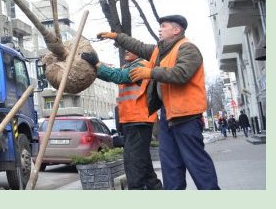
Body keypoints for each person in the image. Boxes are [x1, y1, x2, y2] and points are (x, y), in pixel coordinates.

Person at [98, 14, 220, 190]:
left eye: (163, 26)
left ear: (176, 30)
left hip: (186, 117)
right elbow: (138, 46)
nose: (159, 29)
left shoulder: (188, 48)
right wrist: (117, 37)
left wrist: (150, 72)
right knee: (171, 167)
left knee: (197, 165)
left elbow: (181, 73)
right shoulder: (160, 51)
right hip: (168, 118)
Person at [81, 50, 163, 190]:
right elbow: (111, 75)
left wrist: (97, 63)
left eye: (129, 48)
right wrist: (94, 66)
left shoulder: (141, 66)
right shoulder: (128, 67)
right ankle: (155, 188)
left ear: (138, 52)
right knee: (142, 160)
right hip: (133, 120)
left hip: (139, 120)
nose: (125, 50)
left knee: (132, 161)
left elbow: (118, 76)